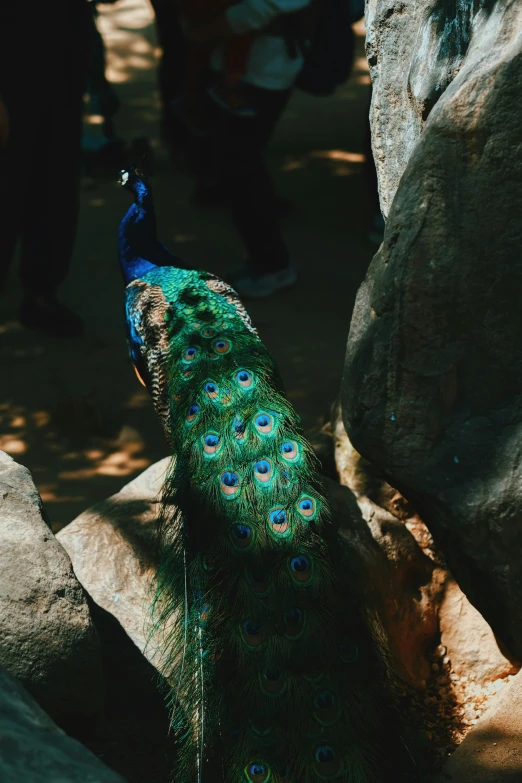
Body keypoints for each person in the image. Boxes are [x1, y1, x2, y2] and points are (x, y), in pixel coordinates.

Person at [184, 0, 314, 299]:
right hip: (251, 63)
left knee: (241, 167)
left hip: (265, 66)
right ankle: (265, 260)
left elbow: (271, 5)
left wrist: (212, 29)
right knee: (239, 165)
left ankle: (272, 266)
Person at [0, 0, 90, 337]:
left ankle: (41, 293)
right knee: (6, 186)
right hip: (10, 77)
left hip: (61, 67)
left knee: (55, 187)